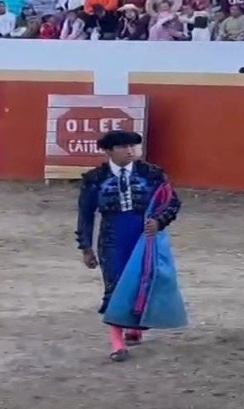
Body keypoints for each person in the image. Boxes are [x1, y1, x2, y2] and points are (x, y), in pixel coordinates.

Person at [76, 131, 186, 362]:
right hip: (112, 237)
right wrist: (86, 247)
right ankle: (117, 343)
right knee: (115, 284)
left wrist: (159, 221)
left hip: (144, 235)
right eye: (123, 147)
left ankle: (134, 327)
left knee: (143, 281)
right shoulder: (94, 178)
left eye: (133, 146)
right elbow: (85, 215)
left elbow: (172, 202)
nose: (130, 151)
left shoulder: (152, 174)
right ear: (109, 151)